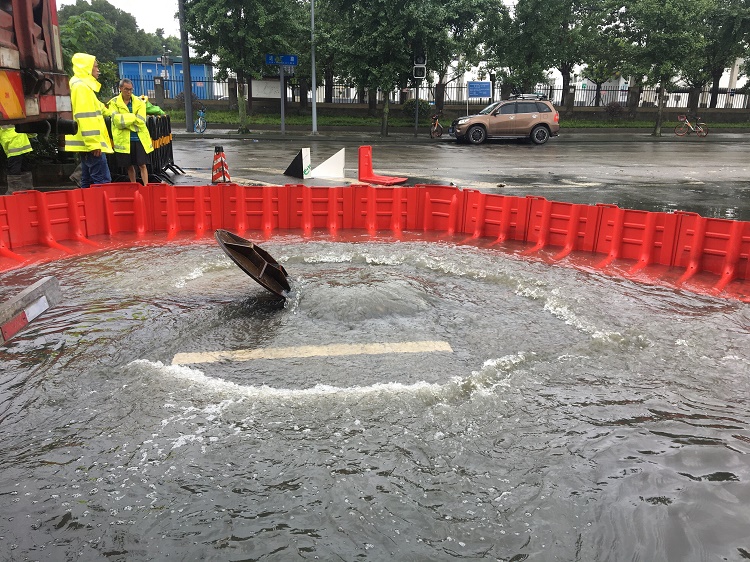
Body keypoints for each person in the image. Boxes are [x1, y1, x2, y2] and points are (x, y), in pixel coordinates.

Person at [64, 53, 113, 188]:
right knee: (102, 181)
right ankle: (99, 208)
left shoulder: (81, 86)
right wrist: (93, 144)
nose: (98, 70)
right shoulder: (82, 87)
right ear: (87, 69)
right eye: (95, 67)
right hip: (91, 144)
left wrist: (115, 112)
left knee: (87, 180)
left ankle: (88, 207)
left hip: (87, 143)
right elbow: (85, 117)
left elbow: (99, 108)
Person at [108, 79, 154, 185]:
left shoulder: (140, 102)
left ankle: (145, 186)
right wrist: (133, 116)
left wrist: (125, 121)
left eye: (130, 89)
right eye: (126, 89)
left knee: (142, 165)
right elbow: (117, 121)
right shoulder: (114, 102)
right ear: (120, 89)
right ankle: (134, 185)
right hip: (124, 140)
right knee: (129, 166)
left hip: (139, 138)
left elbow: (141, 121)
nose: (128, 92)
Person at [0, 125, 33, 194]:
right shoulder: (16, 121)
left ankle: (14, 190)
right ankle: (27, 188)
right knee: (24, 167)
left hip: (13, 146)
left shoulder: (4, 122)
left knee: (14, 169)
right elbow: (31, 133)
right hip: (22, 145)